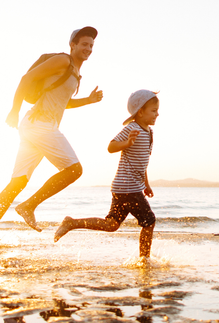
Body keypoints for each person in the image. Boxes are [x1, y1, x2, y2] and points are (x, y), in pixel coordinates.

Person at [0, 27, 103, 247]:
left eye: (91, 45)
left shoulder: (75, 73)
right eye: (84, 44)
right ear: (72, 45)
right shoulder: (63, 61)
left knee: (17, 183)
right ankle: (29, 206)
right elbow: (26, 79)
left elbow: (64, 102)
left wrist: (88, 101)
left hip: (36, 126)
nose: (88, 49)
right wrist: (13, 110)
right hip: (40, 124)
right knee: (74, 170)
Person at [54, 89, 159, 260]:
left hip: (125, 187)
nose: (157, 114)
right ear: (140, 112)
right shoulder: (132, 127)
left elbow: (142, 162)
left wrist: (146, 184)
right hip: (127, 188)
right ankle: (144, 260)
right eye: (153, 111)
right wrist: (127, 143)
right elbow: (111, 146)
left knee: (111, 224)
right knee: (149, 221)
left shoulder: (149, 133)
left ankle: (72, 222)